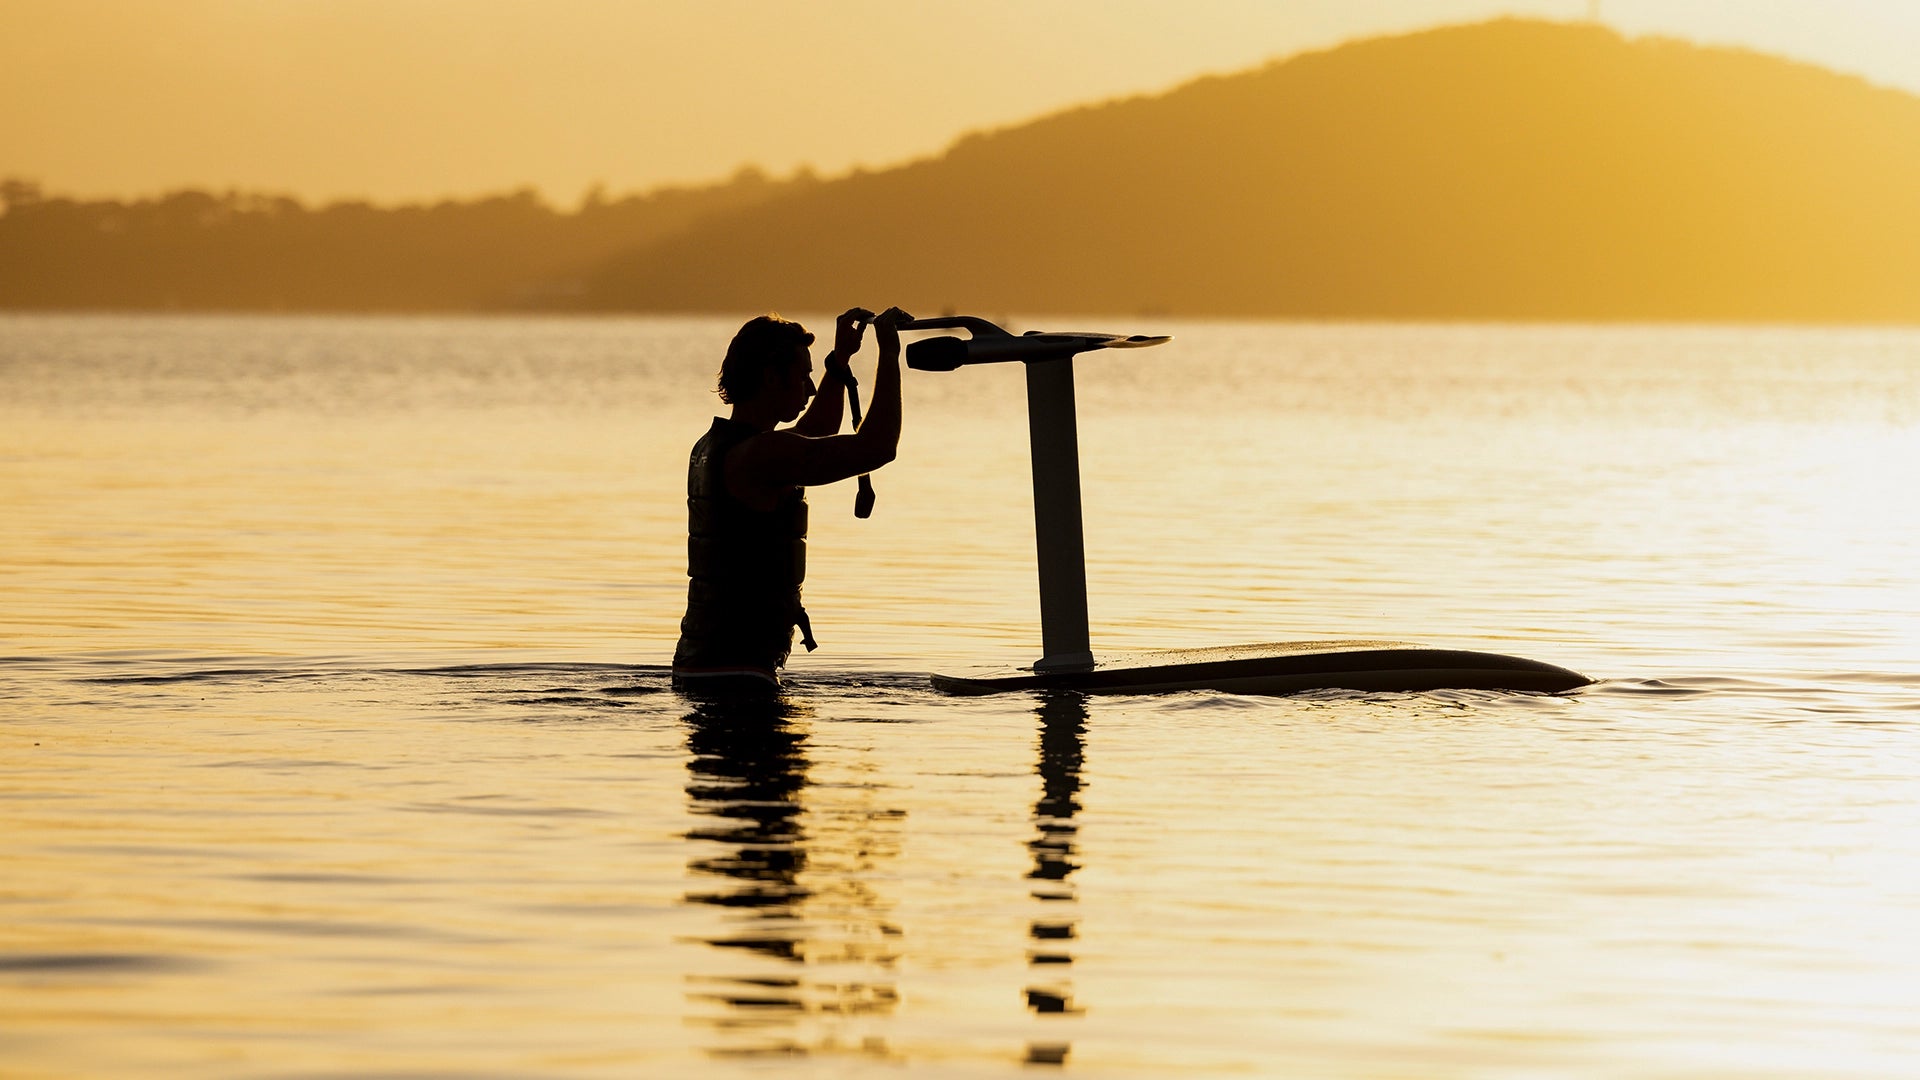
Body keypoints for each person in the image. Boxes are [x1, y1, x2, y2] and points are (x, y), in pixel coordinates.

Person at [672, 306, 911, 690]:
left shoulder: (719, 445)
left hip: (706, 666)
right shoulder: (761, 454)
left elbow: (815, 431)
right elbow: (879, 448)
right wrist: (889, 354)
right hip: (734, 674)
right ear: (770, 377)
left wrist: (841, 361)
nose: (811, 388)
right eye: (803, 377)